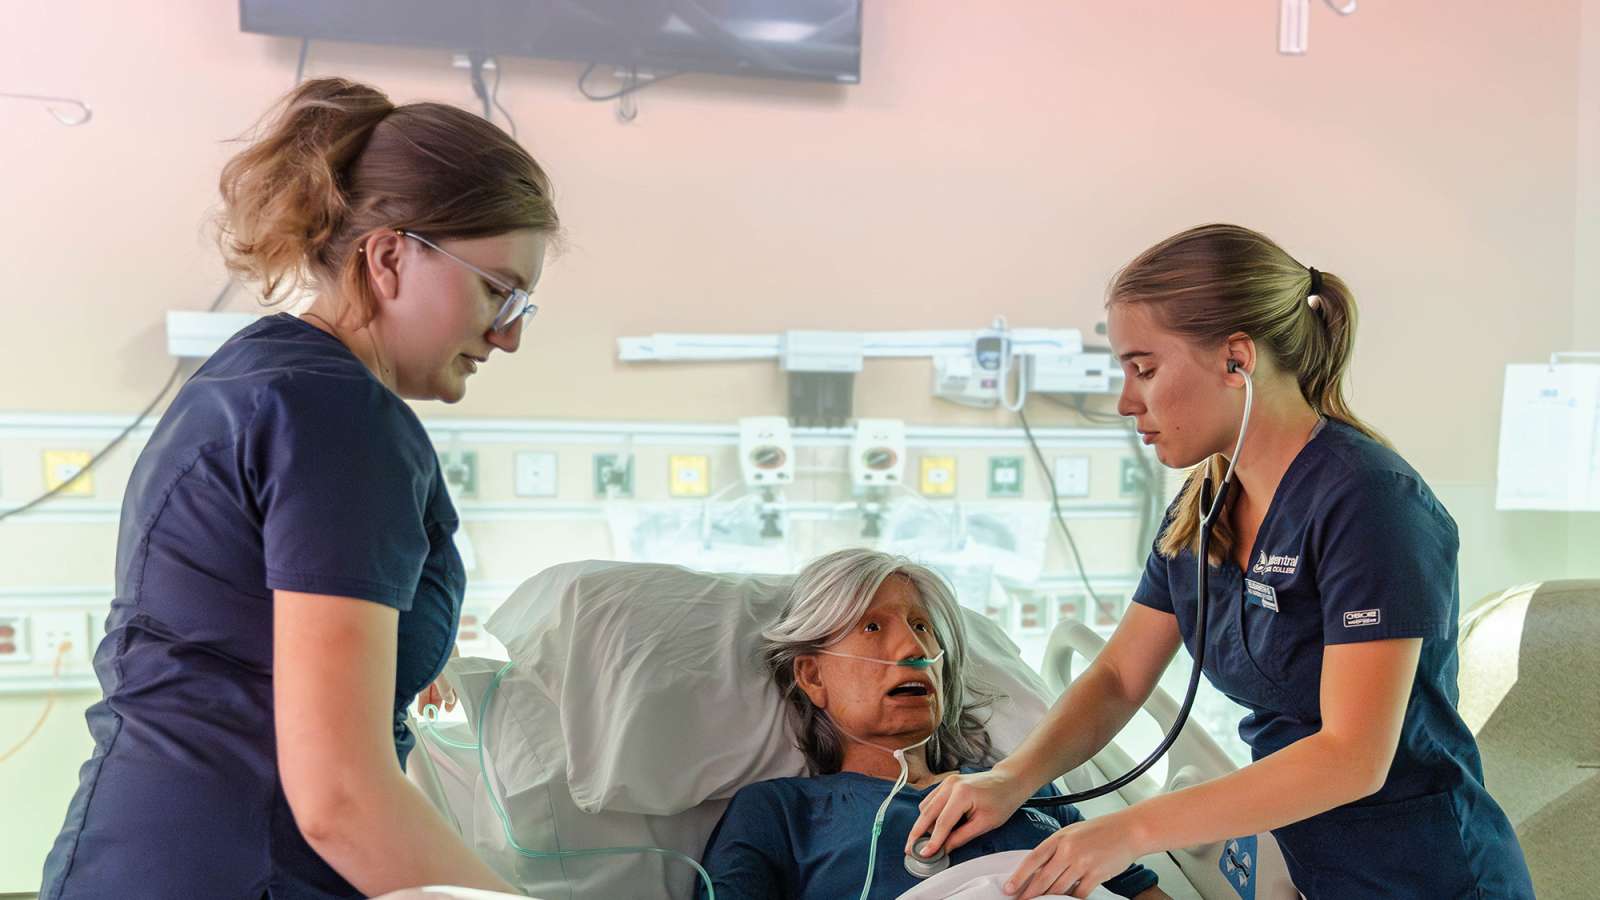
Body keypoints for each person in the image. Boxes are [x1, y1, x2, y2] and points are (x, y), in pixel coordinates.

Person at [40, 76, 557, 898]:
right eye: (498, 289)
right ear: (389, 256)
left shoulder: (254, 375)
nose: (510, 334)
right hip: (242, 868)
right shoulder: (343, 417)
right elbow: (342, 801)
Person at [906, 224, 1535, 899]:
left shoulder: (1369, 503)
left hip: (1426, 875)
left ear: (1237, 359)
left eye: (1144, 369)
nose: (1126, 402)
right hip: (1311, 862)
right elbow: (1120, 676)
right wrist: (1012, 778)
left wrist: (1131, 831)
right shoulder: (1204, 504)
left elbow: (1352, 757)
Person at [698, 548, 1167, 899]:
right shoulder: (781, 811)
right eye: (872, 628)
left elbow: (1143, 894)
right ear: (812, 675)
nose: (913, 649)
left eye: (922, 626)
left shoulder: (1030, 786)